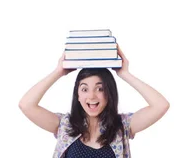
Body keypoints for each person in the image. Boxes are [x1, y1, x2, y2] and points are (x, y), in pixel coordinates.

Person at [19, 46, 170, 158]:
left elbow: (160, 105)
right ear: (77, 95)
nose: (91, 96)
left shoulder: (122, 125)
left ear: (109, 93)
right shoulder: (64, 125)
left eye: (100, 89)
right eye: (84, 89)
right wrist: (58, 72)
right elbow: (26, 105)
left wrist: (125, 74)